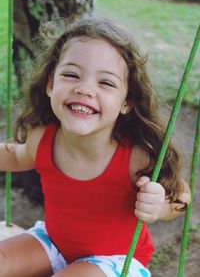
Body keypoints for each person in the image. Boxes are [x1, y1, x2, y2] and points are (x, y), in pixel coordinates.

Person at [0, 16, 190, 277]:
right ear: (50, 84)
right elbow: (16, 156)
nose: (85, 89)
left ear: (127, 102)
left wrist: (160, 206)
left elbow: (181, 197)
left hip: (115, 261)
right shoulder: (42, 138)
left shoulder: (136, 155)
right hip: (54, 243)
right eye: (70, 74)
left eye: (106, 83)